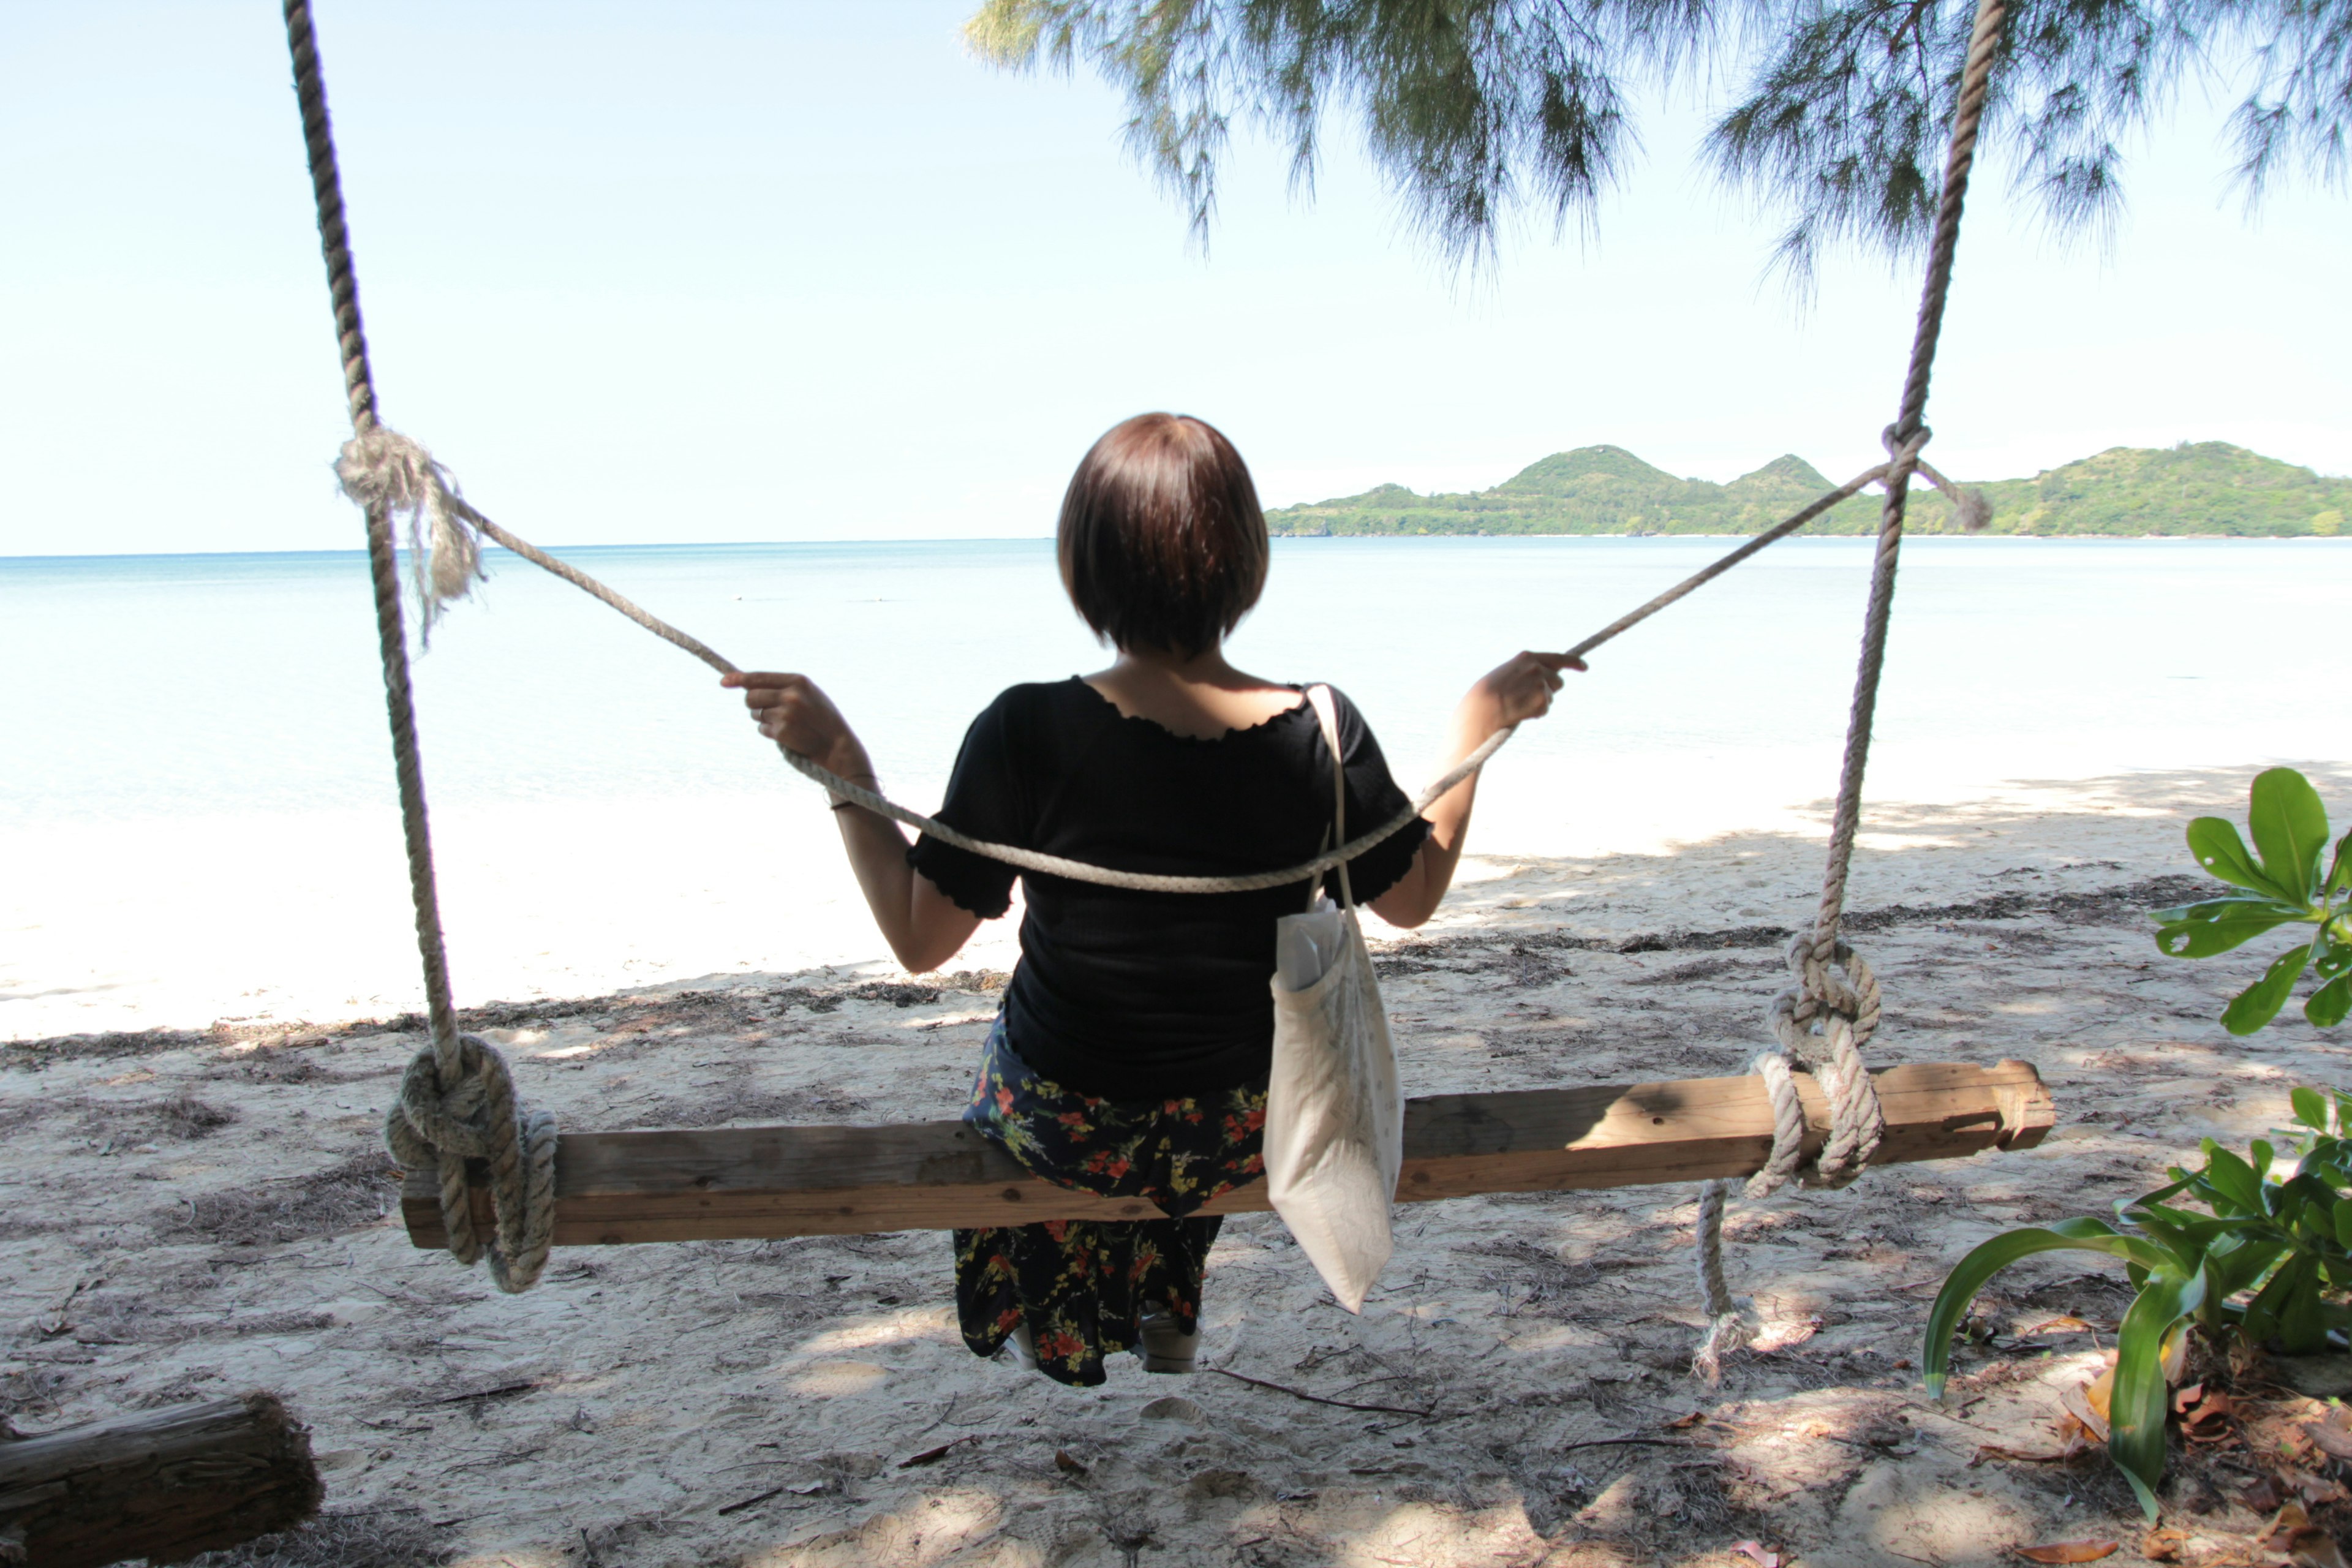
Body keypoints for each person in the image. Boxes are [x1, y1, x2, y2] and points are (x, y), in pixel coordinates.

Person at [723, 413, 1579, 1386]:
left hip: (1060, 1119)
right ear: (1246, 561)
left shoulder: (1024, 729)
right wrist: (1478, 725)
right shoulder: (1320, 729)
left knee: (1033, 1072)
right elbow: (1414, 900)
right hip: (1237, 1124)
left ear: (1083, 566)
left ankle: (1077, 1320)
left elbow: (922, 942)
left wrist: (845, 770)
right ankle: (1160, 1312)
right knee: (1177, 1106)